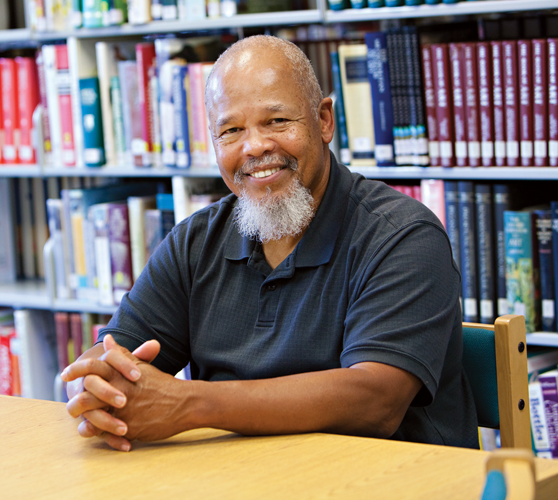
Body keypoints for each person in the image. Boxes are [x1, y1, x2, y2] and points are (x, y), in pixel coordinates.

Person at [61, 35, 478, 452]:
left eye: (277, 122)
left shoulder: (402, 235)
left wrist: (190, 404)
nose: (255, 146)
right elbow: (114, 352)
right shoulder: (195, 241)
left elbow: (375, 400)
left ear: (325, 121)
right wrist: (99, 384)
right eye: (231, 130)